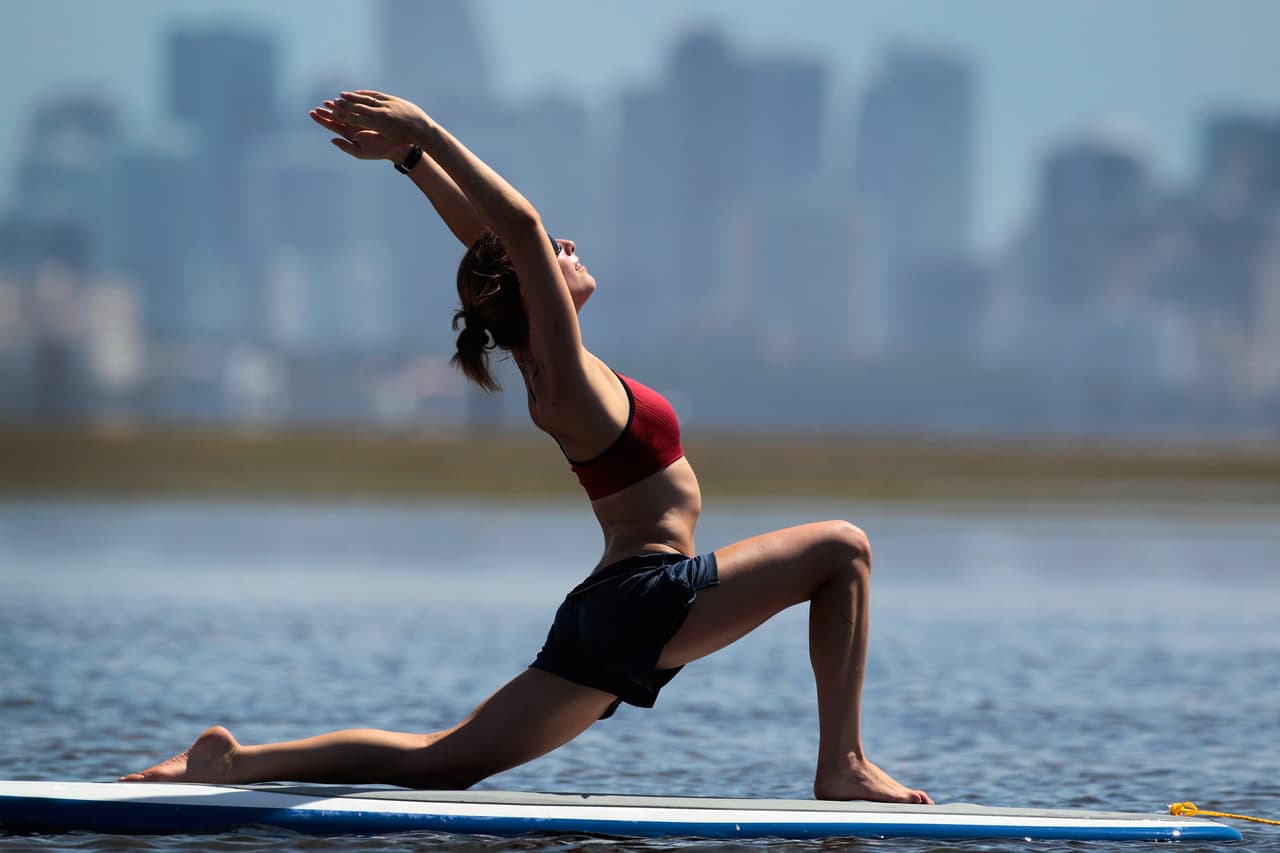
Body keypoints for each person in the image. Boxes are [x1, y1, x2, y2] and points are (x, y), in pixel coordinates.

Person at [121, 90, 931, 805]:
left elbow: (495, 243)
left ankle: (231, 762)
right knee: (844, 549)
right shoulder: (563, 374)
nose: (566, 248)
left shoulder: (548, 364)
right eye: (554, 258)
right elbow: (518, 228)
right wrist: (426, 129)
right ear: (533, 287)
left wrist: (411, 162)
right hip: (648, 596)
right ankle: (843, 763)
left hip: (610, 608)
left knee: (441, 762)